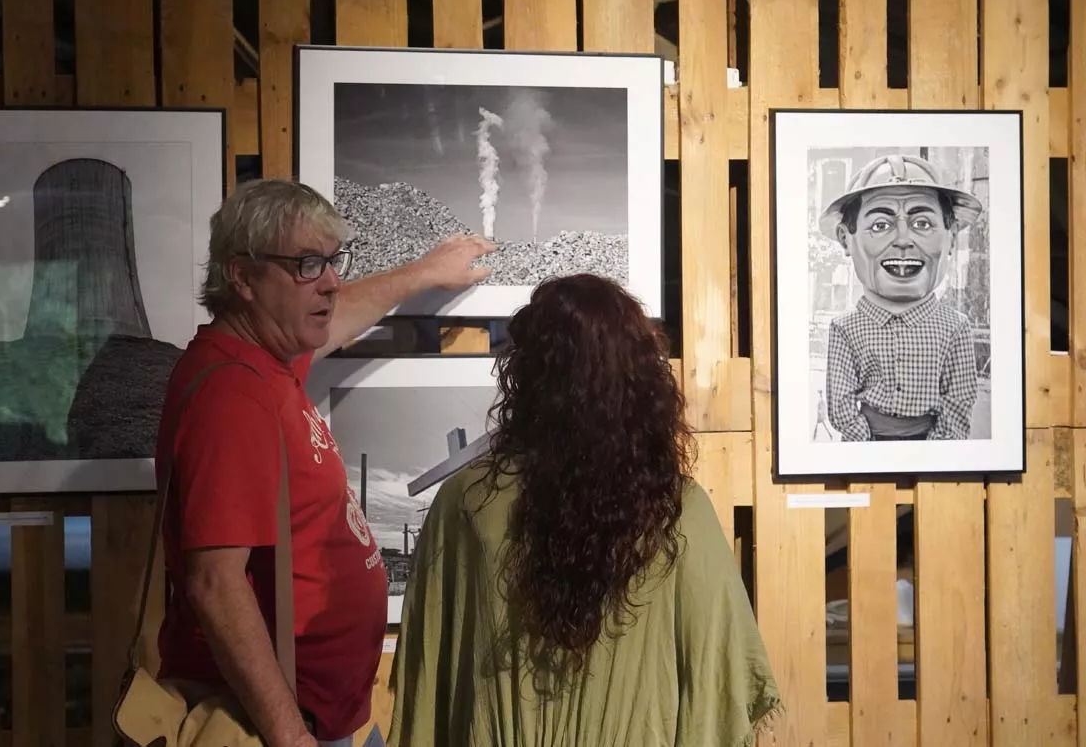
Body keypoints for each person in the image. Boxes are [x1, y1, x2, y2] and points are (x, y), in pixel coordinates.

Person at [154, 178, 496, 747]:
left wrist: (424, 272)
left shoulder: (266, 358)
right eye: (308, 264)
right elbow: (214, 583)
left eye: (334, 261)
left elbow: (338, 316)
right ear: (242, 276)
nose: (333, 283)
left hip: (317, 717)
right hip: (269, 726)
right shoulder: (233, 397)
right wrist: (292, 738)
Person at [385, 274, 782, 746]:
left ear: (526, 375)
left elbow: (429, 681)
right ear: (639, 378)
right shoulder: (676, 508)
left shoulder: (467, 501)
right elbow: (721, 681)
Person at [820, 153, 984, 442]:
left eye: (922, 223)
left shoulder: (955, 327)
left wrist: (934, 451)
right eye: (881, 225)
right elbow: (841, 403)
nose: (904, 239)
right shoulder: (845, 328)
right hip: (865, 448)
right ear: (847, 239)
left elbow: (959, 401)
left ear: (952, 238)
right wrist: (866, 445)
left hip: (933, 449)